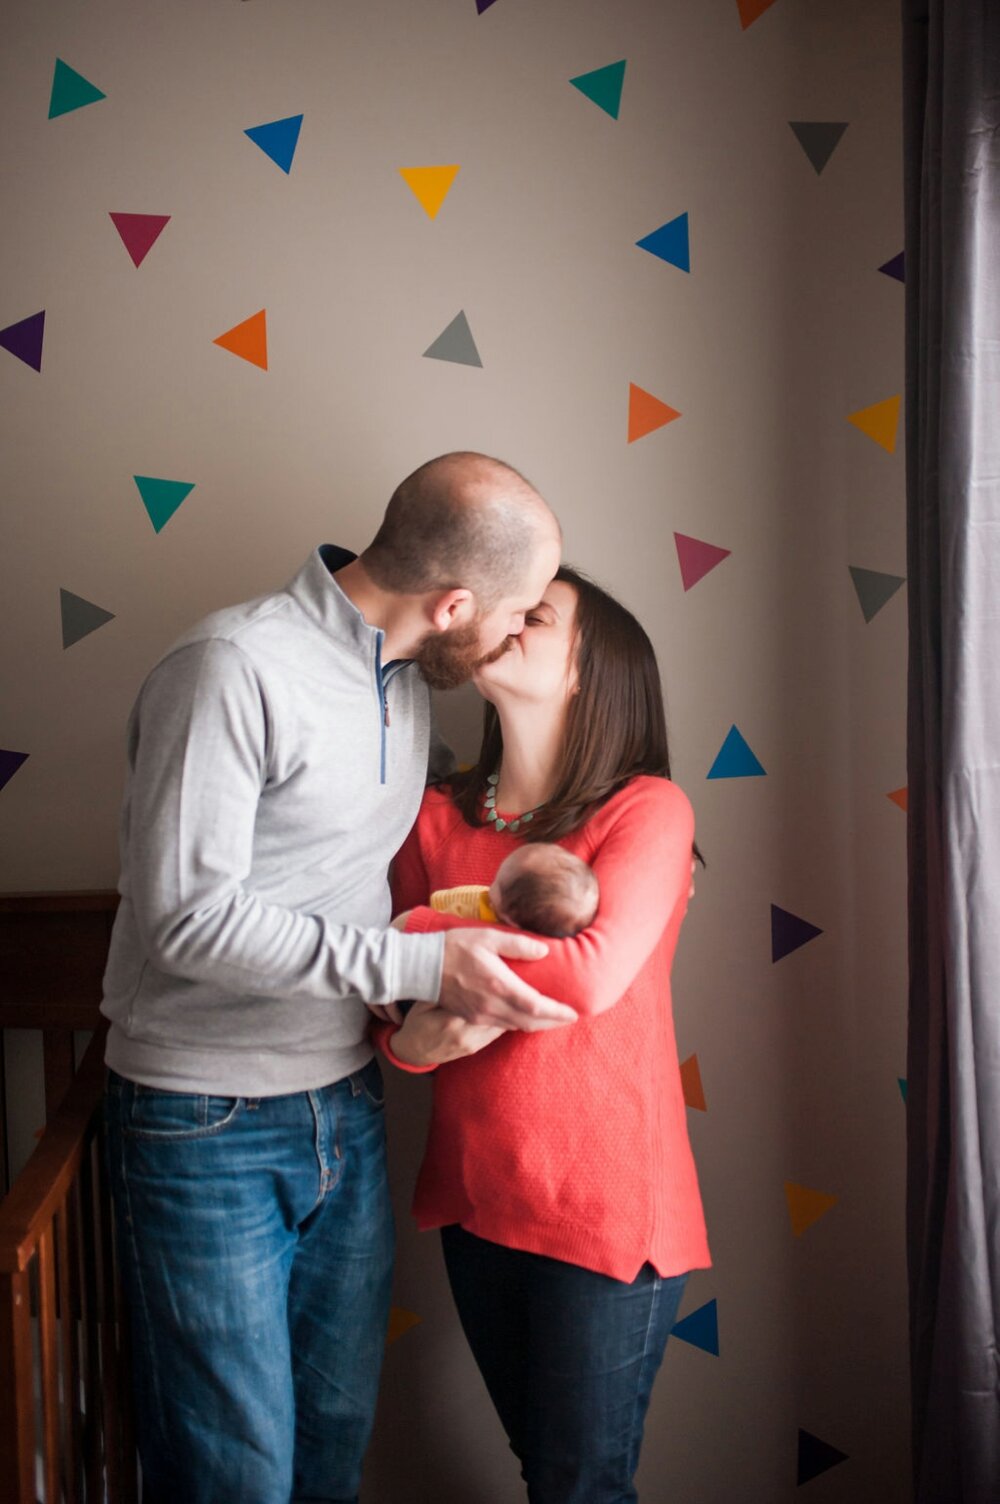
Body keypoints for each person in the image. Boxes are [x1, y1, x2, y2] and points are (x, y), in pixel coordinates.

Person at [100, 452, 576, 1504]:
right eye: (511, 612)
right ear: (452, 602)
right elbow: (187, 917)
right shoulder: (229, 666)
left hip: (340, 1106)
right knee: (235, 1472)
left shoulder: (409, 692)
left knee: (331, 1446)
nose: (513, 634)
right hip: (200, 1120)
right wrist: (420, 963)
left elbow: (354, 883)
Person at [373, 565, 711, 1504]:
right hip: (478, 1202)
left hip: (606, 1209)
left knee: (579, 1485)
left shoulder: (646, 809)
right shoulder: (433, 817)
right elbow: (387, 1002)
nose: (507, 622)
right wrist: (415, 1034)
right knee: (548, 1474)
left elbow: (591, 976)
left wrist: (424, 949)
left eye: (538, 615)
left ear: (587, 672)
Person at [425, 843, 600, 938]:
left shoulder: (473, 910)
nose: (490, 887)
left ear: (509, 917)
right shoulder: (558, 946)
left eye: (497, 885)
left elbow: (433, 911)